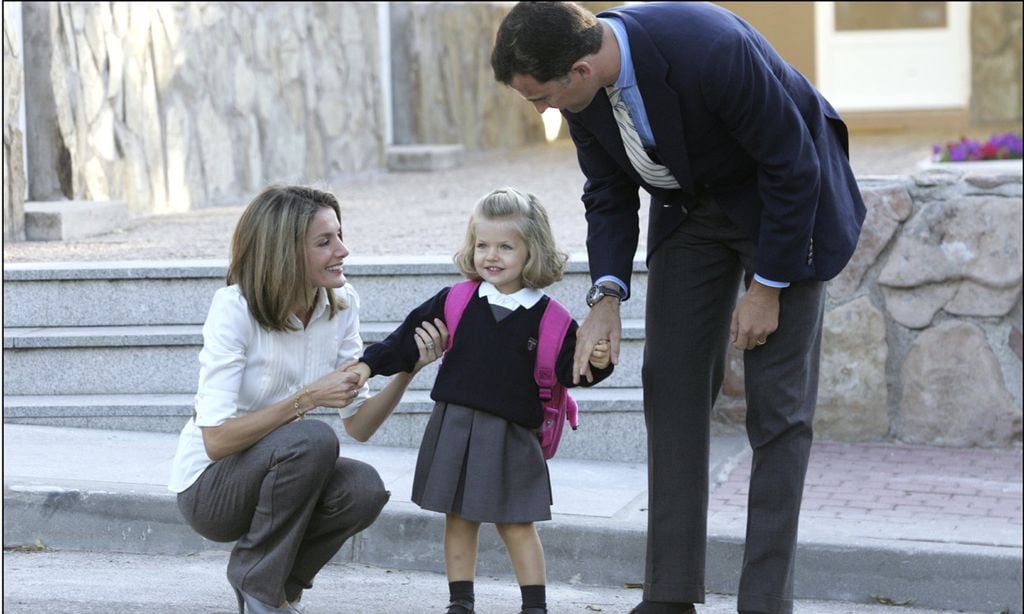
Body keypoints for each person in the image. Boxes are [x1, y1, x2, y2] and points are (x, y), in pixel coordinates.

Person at [491, 3, 866, 614]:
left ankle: (765, 602)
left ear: (582, 69)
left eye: (542, 97)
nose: (541, 111)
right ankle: (669, 596)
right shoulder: (583, 94)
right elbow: (607, 191)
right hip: (692, 209)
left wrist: (768, 287)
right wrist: (606, 296)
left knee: (778, 408)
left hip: (785, 204)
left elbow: (791, 164)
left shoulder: (710, 48)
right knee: (670, 385)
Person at [167, 185, 448, 614]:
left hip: (281, 472)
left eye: (339, 235)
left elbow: (359, 425)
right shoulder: (234, 309)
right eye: (324, 242)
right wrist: (307, 398)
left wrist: (408, 369)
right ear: (285, 251)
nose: (343, 250)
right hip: (211, 488)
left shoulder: (341, 304)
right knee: (313, 438)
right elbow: (216, 441)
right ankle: (256, 583)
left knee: (363, 489)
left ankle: (279, 591)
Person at [346, 187, 614, 614]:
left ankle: (534, 606)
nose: (492, 255)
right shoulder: (456, 301)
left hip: (512, 434)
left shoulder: (552, 319)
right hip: (454, 425)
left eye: (506, 246)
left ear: (533, 251)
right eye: (483, 244)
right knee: (458, 517)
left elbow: (572, 371)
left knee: (516, 523)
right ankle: (461, 602)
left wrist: (597, 361)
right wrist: (366, 366)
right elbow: (405, 340)